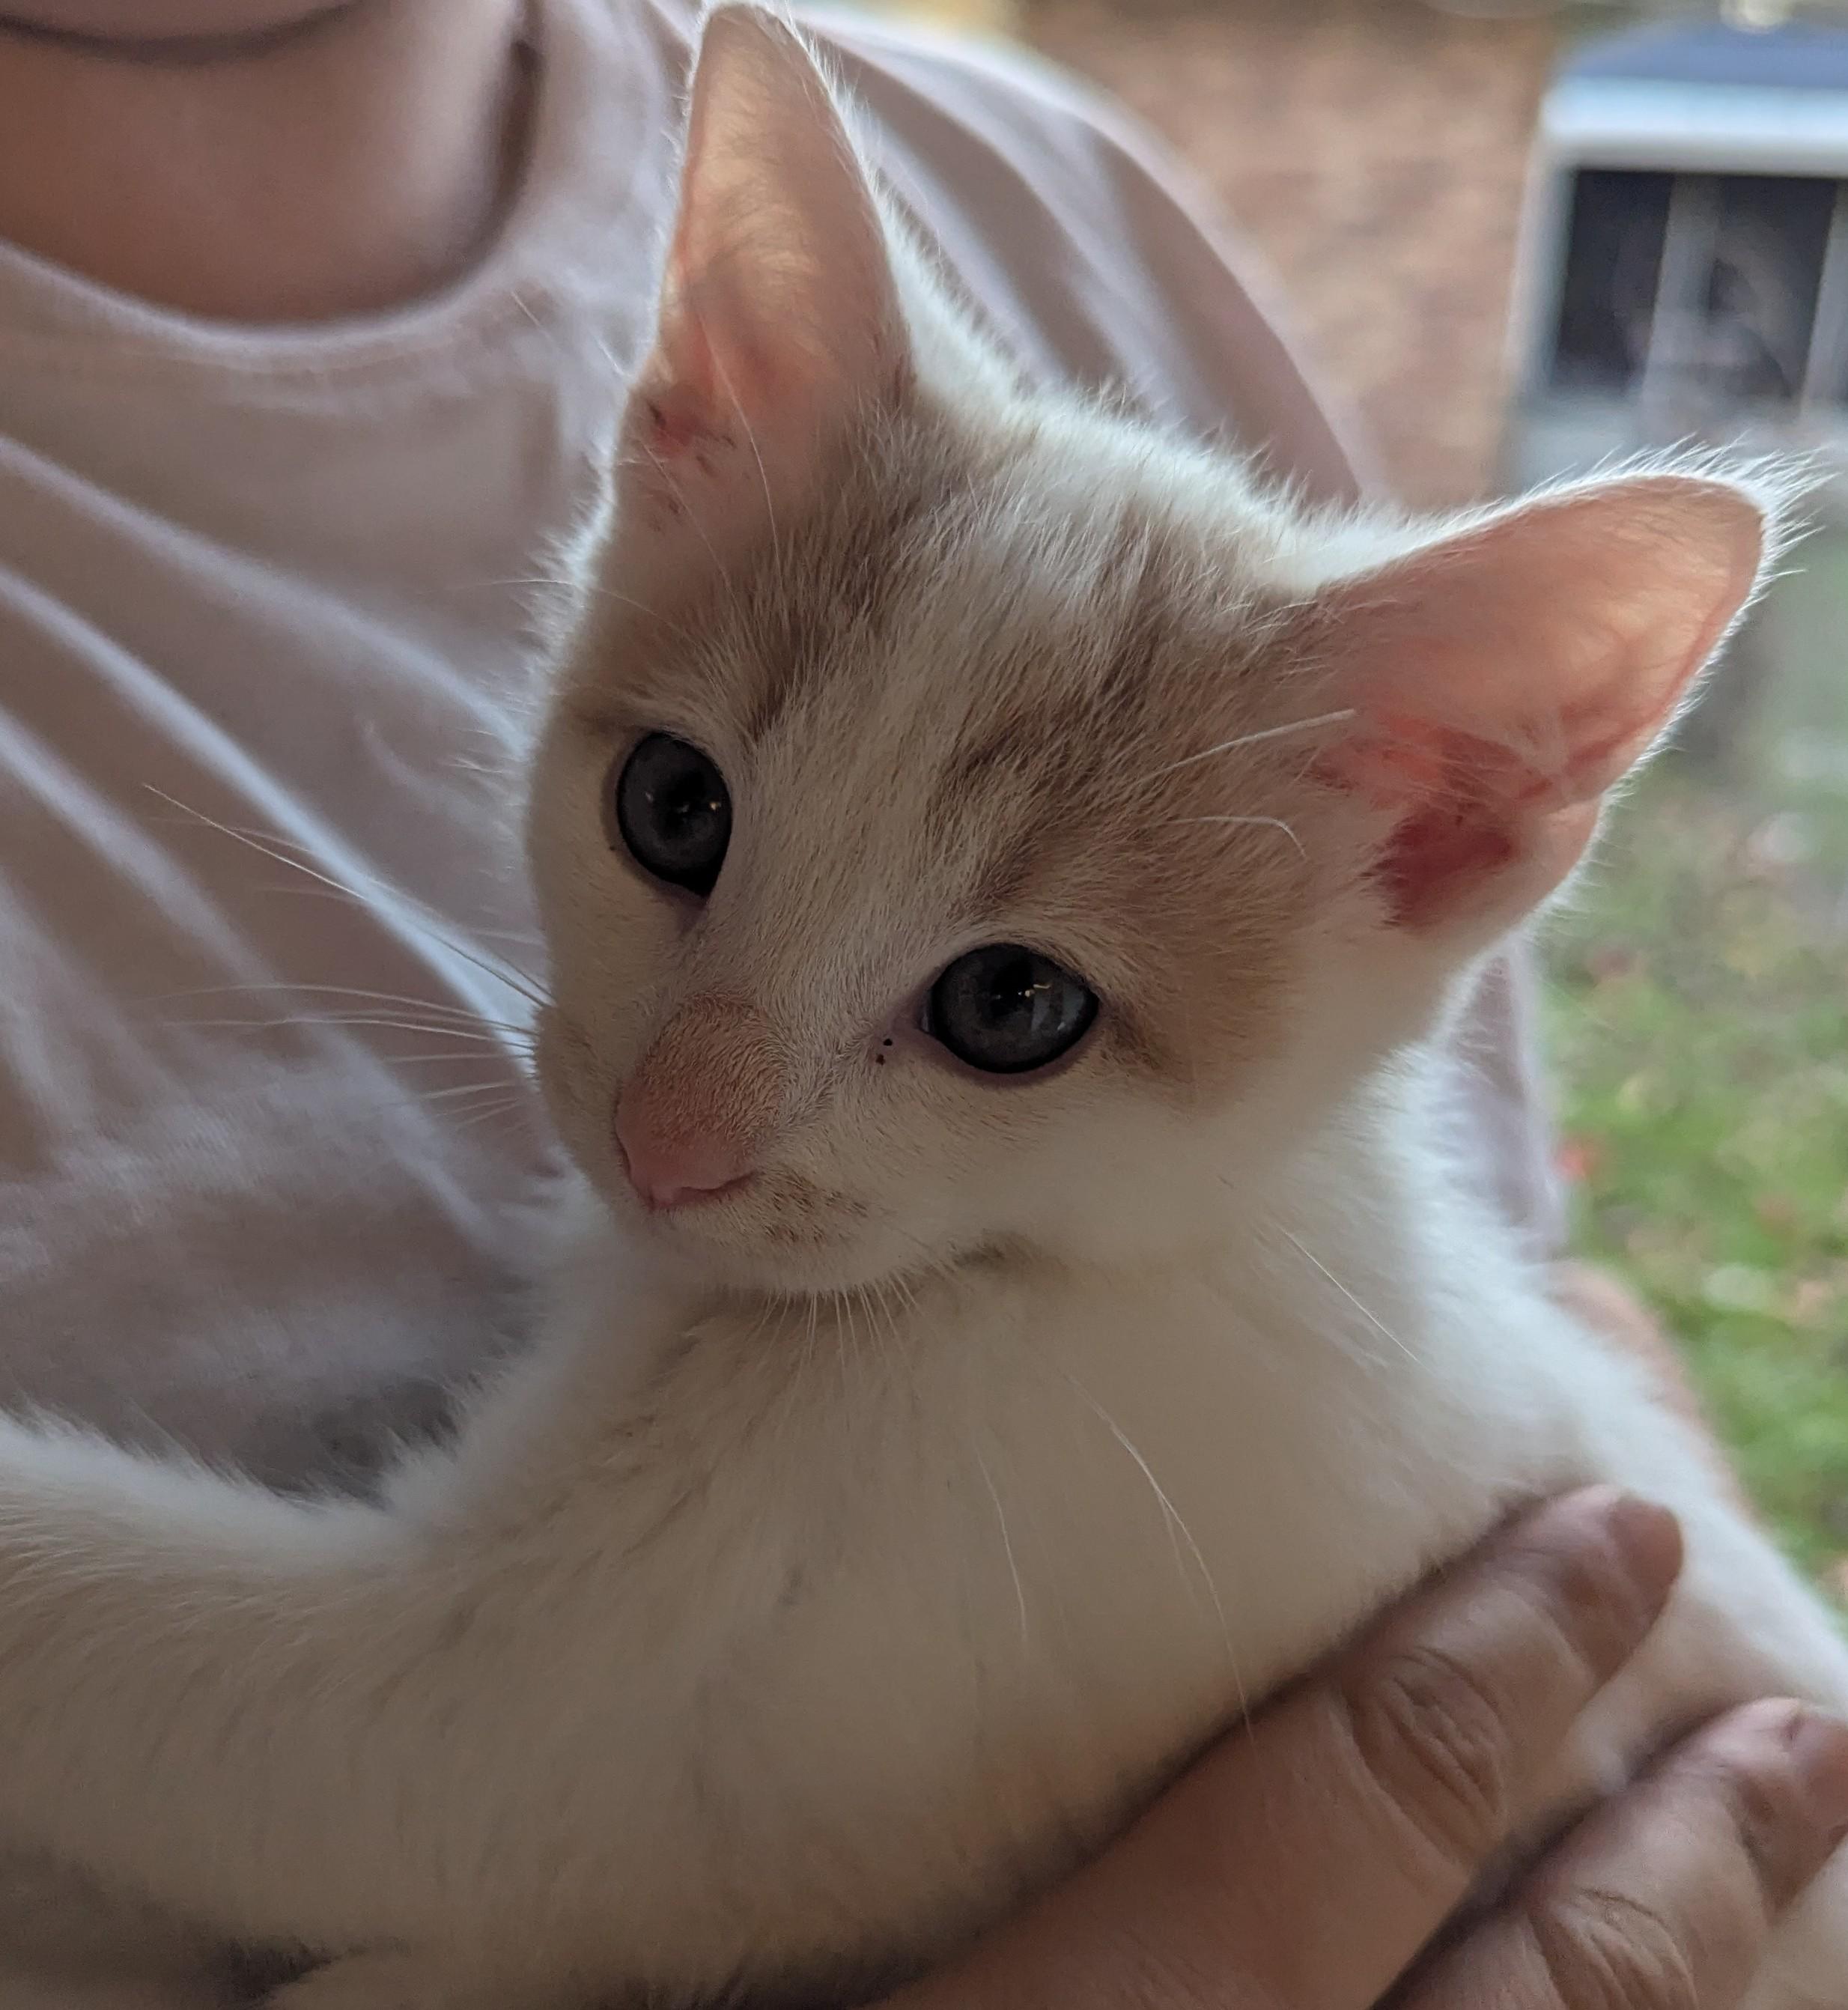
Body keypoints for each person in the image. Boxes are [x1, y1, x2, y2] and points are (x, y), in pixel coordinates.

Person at [0, 4, 1842, 2004]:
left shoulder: (1059, 199)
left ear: (1430, 847)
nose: (673, 1131)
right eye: (677, 815)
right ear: (685, 439)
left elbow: (429, 1768)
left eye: (1001, 1010)